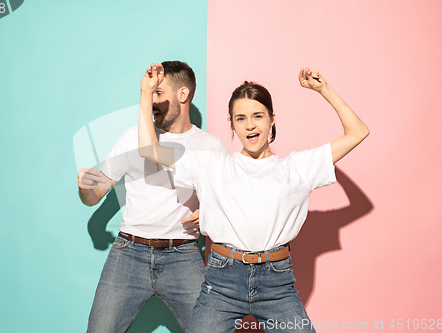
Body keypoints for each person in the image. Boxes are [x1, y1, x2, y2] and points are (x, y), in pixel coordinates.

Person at [138, 64, 370, 333]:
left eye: (258, 116)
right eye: (240, 118)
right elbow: (149, 148)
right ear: (232, 124)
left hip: (277, 284)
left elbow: (358, 132)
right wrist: (146, 92)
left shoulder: (296, 168)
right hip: (221, 283)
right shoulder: (212, 165)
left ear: (272, 118)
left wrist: (323, 89)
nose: (250, 125)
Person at [78, 61, 229, 333]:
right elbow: (93, 197)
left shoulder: (211, 147)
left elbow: (227, 204)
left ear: (182, 95)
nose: (152, 101)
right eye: (149, 94)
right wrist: (85, 187)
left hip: (183, 256)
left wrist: (209, 212)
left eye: (158, 93)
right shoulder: (130, 139)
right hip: (128, 254)